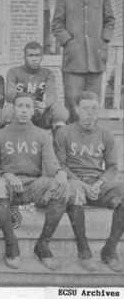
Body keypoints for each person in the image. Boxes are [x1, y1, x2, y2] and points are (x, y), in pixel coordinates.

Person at [0, 93, 69, 270]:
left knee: (62, 187)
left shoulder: (41, 135)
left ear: (33, 111)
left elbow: (51, 163)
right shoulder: (0, 135)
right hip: (8, 186)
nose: (23, 110)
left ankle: (43, 245)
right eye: (20, 106)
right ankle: (11, 244)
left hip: (33, 186)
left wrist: (60, 172)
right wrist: (6, 174)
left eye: (28, 107)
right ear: (13, 109)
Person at [54, 91, 123, 273]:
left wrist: (99, 183)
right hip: (74, 182)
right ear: (77, 110)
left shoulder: (105, 134)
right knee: (74, 191)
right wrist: (82, 184)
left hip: (97, 184)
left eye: (94, 108)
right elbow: (59, 165)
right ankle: (83, 250)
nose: (90, 113)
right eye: (85, 108)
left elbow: (112, 167)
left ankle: (109, 250)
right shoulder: (64, 133)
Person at [51, 0, 115, 123]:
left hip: (96, 58)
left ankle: (91, 142)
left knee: (93, 103)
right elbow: (56, 24)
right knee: (73, 102)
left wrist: (103, 40)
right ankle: (73, 143)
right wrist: (68, 42)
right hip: (73, 60)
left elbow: (110, 20)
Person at [3, 41, 69, 131]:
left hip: (39, 112)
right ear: (24, 57)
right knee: (7, 110)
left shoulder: (47, 73)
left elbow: (52, 95)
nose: (34, 59)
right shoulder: (14, 72)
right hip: (21, 110)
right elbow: (9, 96)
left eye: (37, 55)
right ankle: (9, 141)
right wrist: (31, 103)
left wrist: (44, 104)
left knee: (60, 112)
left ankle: (58, 143)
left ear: (42, 57)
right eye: (30, 55)